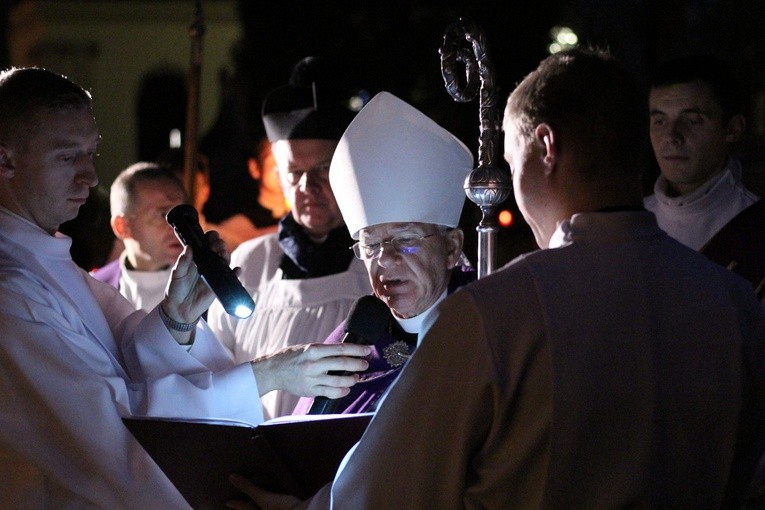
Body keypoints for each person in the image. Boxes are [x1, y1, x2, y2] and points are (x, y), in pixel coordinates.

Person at [230, 48, 765, 509]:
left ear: (546, 148)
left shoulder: (499, 313)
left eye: (511, 158)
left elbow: (392, 488)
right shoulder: (735, 303)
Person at [0, 66, 371, 508]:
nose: (90, 178)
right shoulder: (11, 290)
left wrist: (176, 318)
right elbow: (115, 432)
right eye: (67, 157)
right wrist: (268, 374)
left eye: (91, 154)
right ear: (5, 160)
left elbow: (131, 365)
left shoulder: (53, 264)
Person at [207, 56, 372, 420]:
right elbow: (212, 377)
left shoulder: (379, 263)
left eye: (323, 171)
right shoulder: (248, 264)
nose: (306, 188)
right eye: (293, 172)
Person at [292, 91, 475, 415]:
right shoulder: (352, 344)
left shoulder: (486, 325)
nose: (385, 259)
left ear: (452, 247)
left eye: (405, 239)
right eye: (371, 245)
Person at [645, 54, 764, 298]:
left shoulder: (755, 225)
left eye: (692, 120)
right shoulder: (632, 219)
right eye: (660, 121)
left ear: (732, 129)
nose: (672, 136)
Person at [91, 161, 186, 310]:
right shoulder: (95, 291)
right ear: (122, 227)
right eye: (163, 214)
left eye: (182, 213)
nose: (179, 227)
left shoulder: (204, 285)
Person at [158, 147, 280, 252]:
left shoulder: (226, 245)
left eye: (194, 187)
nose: (182, 196)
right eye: (176, 188)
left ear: (206, 191)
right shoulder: (154, 242)